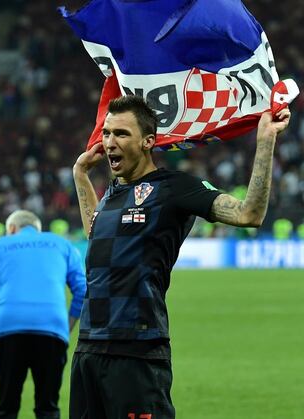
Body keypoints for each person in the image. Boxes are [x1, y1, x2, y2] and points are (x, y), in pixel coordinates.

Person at [71, 95, 291, 418]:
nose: (109, 142)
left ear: (148, 142)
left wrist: (265, 141)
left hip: (136, 352)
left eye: (121, 134)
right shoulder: (112, 194)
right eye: (106, 133)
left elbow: (249, 215)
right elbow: (96, 235)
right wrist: (80, 176)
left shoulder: (174, 189)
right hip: (88, 349)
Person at [0, 210, 86, 419]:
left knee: (6, 406)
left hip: (8, 327)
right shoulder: (62, 245)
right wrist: (67, 324)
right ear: (38, 229)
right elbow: (82, 289)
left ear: (12, 229)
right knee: (48, 407)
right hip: (52, 328)